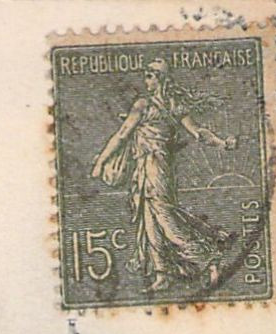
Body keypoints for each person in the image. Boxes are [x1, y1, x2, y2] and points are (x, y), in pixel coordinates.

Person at [89, 58, 238, 292]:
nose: (145, 81)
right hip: (150, 166)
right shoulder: (173, 104)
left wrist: (100, 161)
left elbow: (122, 135)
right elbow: (198, 132)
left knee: (164, 217)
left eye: (149, 76)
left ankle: (208, 257)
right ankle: (162, 274)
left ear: (159, 79)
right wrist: (222, 143)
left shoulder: (143, 105)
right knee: (149, 217)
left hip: (154, 165)